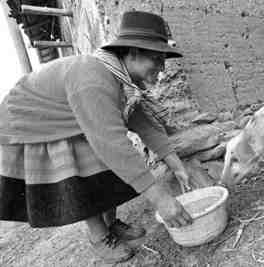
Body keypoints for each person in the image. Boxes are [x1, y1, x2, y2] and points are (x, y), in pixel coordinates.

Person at [0, 10, 193, 264]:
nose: (161, 69)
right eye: (156, 60)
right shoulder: (93, 79)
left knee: (105, 165)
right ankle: (99, 234)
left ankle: (111, 224)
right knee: (83, 167)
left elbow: (143, 123)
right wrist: (162, 200)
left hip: (65, 118)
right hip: (32, 123)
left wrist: (176, 165)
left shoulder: (120, 80)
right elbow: (111, 144)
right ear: (133, 53)